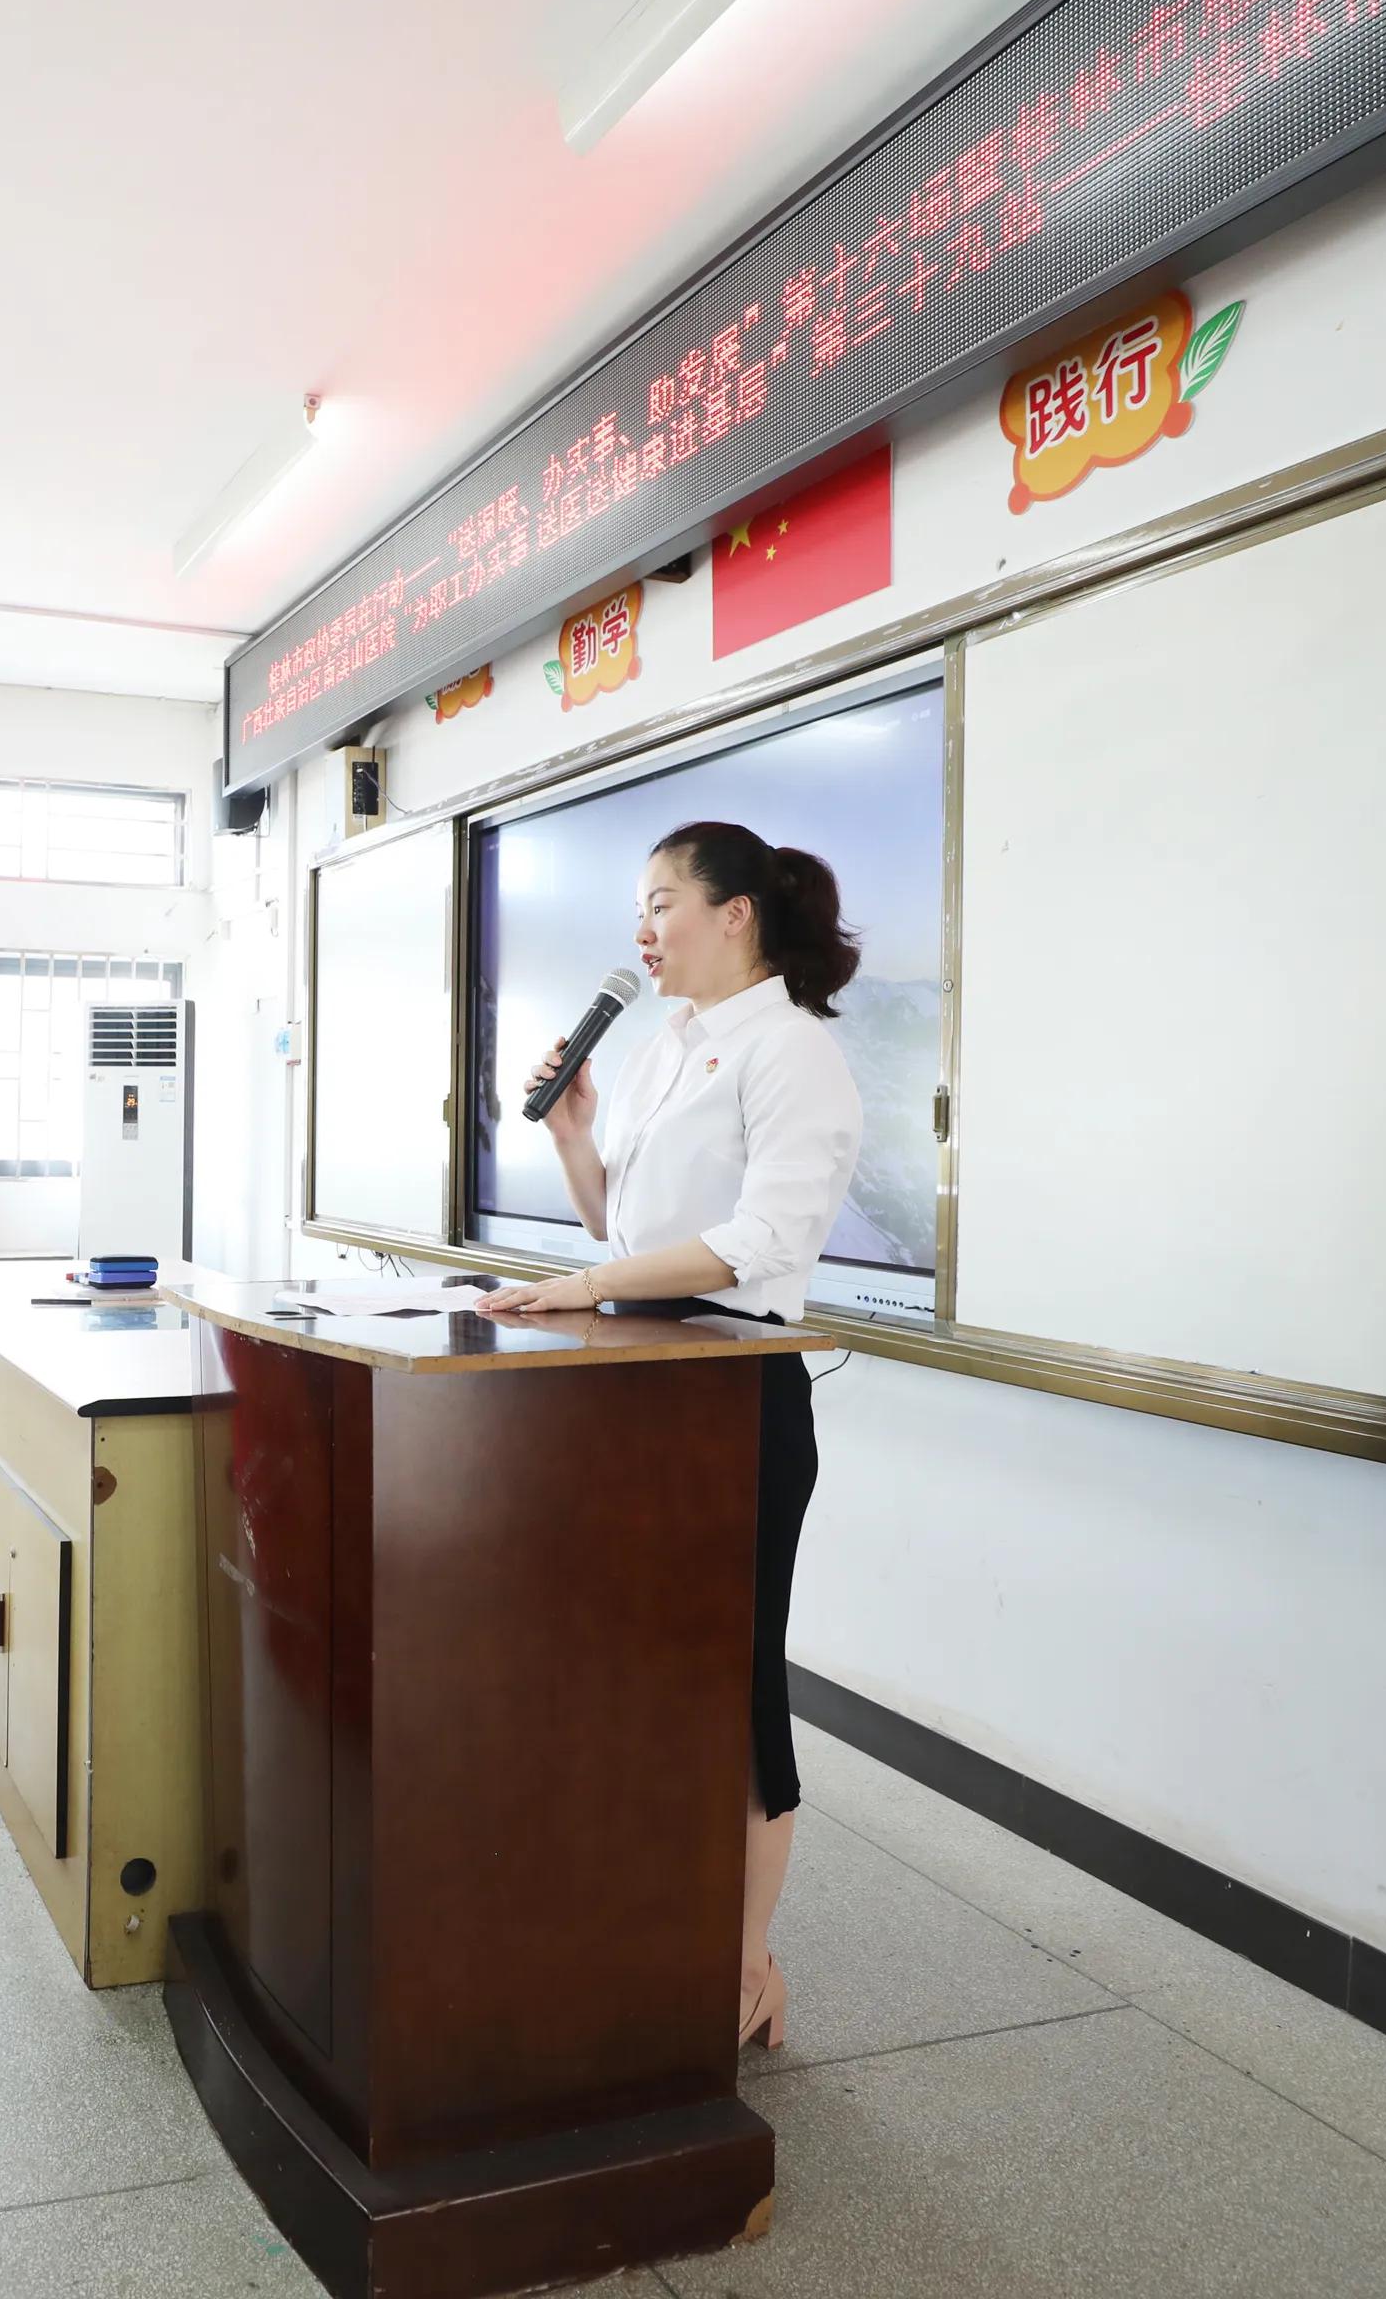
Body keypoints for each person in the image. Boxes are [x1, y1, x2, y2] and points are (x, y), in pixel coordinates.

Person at [477, 821, 863, 2053]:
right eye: (637, 912)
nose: (641, 933)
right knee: (633, 1668)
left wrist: (590, 1292)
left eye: (662, 905)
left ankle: (746, 1956)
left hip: (735, 1396)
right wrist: (575, 1132)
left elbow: (761, 1241)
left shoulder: (793, 1051)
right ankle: (639, 1906)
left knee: (734, 1675)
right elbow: (615, 1227)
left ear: (737, 913)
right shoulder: (661, 1047)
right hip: (635, 1391)